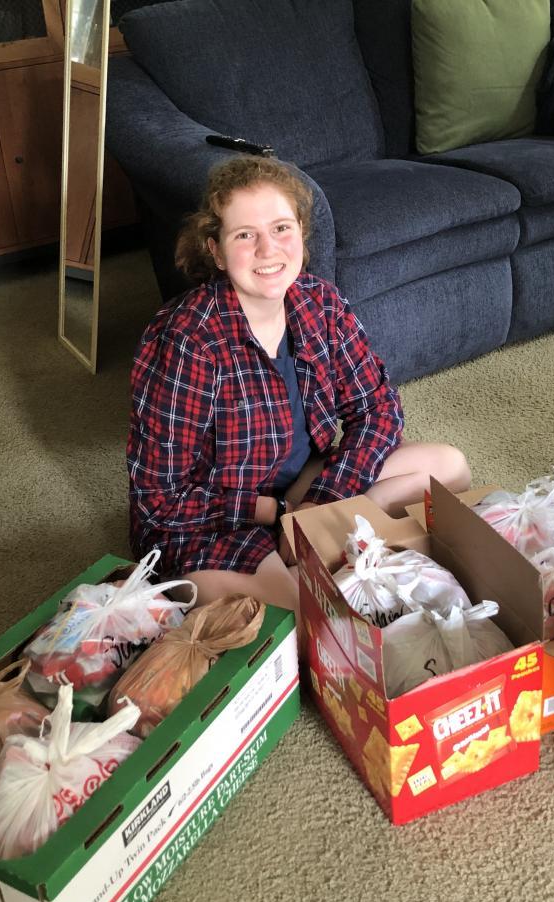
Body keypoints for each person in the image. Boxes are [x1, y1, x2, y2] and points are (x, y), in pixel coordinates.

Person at [128, 155, 471, 611]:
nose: (268, 250)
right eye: (244, 235)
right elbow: (160, 500)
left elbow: (377, 410)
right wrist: (279, 515)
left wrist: (320, 502)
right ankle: (320, 553)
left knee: (450, 468)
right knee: (300, 615)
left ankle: (324, 543)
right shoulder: (188, 340)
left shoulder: (320, 302)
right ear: (216, 251)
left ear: (301, 233)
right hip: (219, 517)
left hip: (302, 487)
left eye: (281, 228)